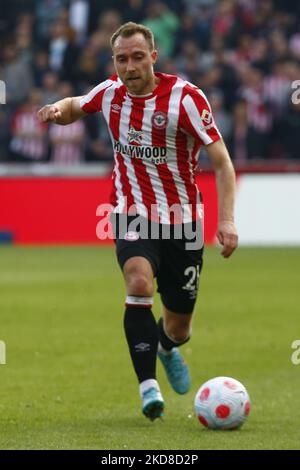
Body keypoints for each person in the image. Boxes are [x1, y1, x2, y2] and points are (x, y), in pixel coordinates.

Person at [37, 22, 238, 421]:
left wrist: (227, 221)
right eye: (121, 59)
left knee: (179, 326)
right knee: (139, 281)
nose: (129, 66)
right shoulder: (111, 93)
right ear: (114, 61)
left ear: (153, 57)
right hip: (131, 211)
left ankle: (166, 348)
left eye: (137, 57)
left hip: (183, 221)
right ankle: (148, 387)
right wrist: (58, 110)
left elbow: (222, 163)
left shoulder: (185, 99)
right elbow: (78, 104)